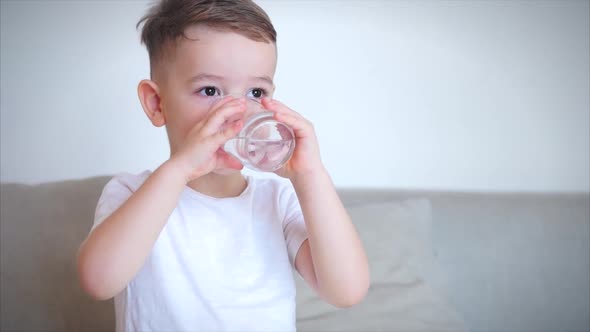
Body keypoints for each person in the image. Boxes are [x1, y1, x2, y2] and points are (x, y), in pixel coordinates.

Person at [76, 0, 369, 330]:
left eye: (256, 91)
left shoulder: (277, 200)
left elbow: (347, 291)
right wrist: (179, 169)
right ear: (158, 104)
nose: (238, 111)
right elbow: (98, 282)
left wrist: (310, 175)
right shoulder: (131, 193)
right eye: (210, 90)